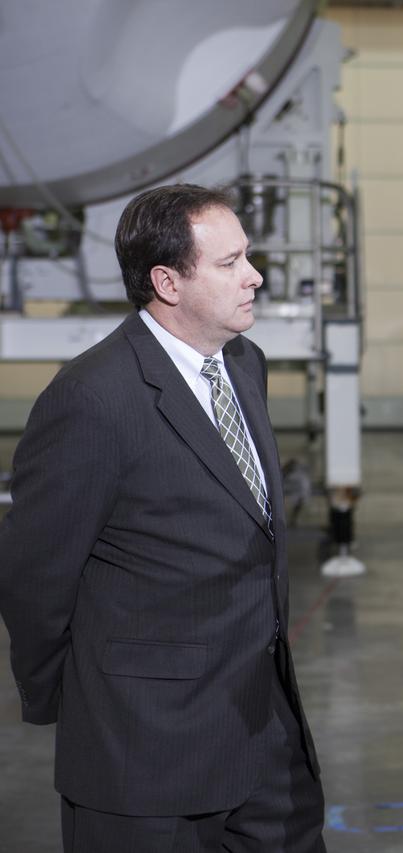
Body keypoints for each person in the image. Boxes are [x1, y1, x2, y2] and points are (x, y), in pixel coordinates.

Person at [0, 184, 326, 852]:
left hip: (266, 738)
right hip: (146, 761)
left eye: (249, 256)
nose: (255, 275)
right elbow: (34, 578)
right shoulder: (92, 399)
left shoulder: (244, 363)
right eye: (231, 262)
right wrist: (87, 703)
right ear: (167, 281)